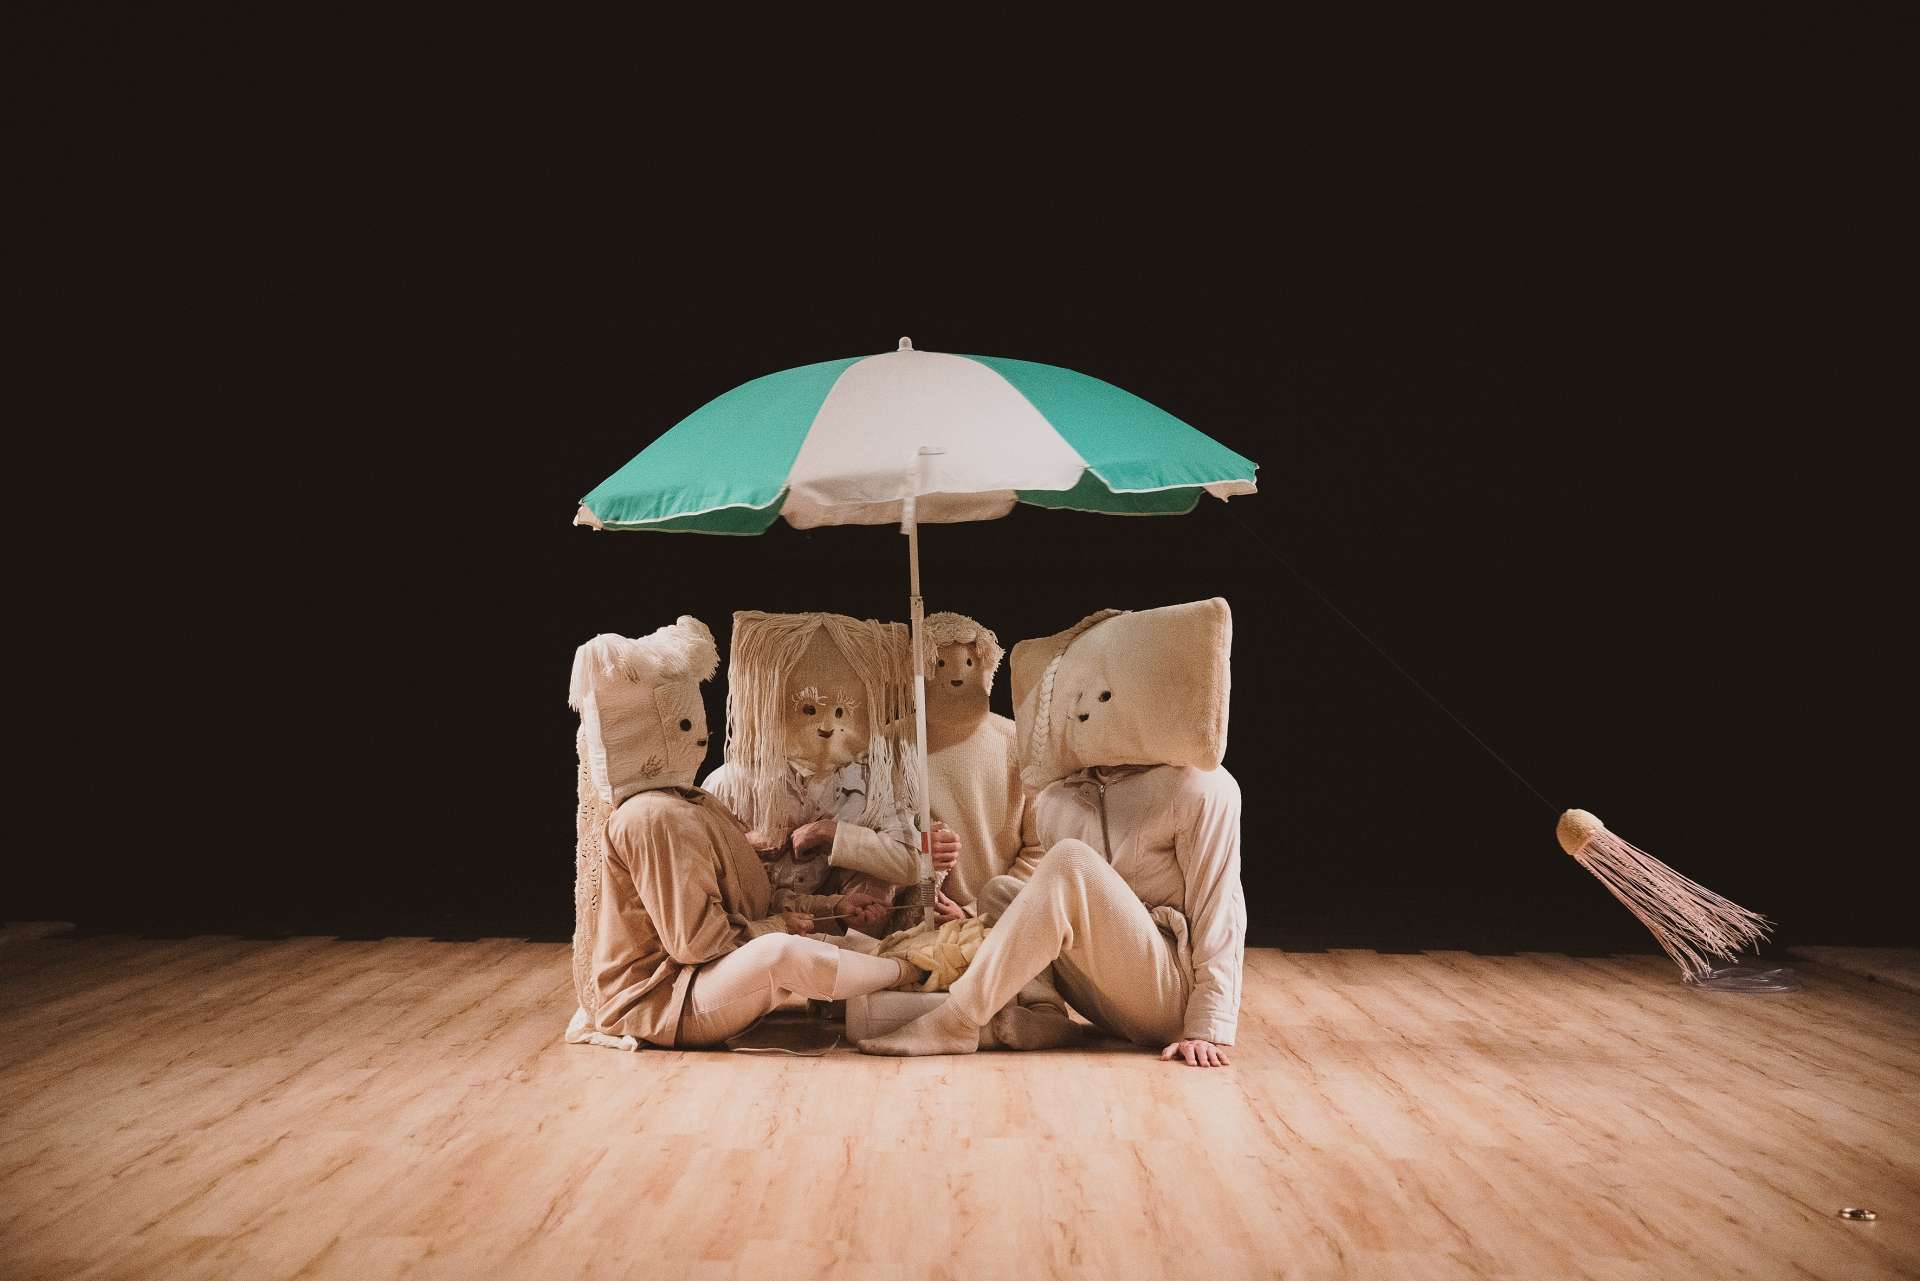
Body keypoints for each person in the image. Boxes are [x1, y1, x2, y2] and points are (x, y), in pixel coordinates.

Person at [857, 599, 1246, 1068]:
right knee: (1001, 892)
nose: (1082, 711)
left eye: (1103, 697)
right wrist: (970, 916)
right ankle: (1043, 1013)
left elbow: (1219, 907)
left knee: (1069, 862)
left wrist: (1208, 1025)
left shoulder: (1200, 787)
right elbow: (1049, 906)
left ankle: (956, 1020)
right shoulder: (1064, 796)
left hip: (1166, 993)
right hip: (1098, 1000)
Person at [564, 617, 915, 1051]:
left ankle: (911, 967)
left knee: (815, 941)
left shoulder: (693, 804)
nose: (699, 738)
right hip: (664, 999)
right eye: (683, 727)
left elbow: (754, 900)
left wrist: (834, 908)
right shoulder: (654, 817)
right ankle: (914, 968)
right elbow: (698, 943)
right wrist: (777, 926)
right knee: (781, 954)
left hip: (703, 977)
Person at [701, 610, 957, 935]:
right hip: (757, 933)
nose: (825, 726)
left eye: (840, 712)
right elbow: (711, 873)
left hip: (845, 936)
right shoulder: (733, 782)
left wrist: (830, 833)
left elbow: (908, 862)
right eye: (809, 710)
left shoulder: (874, 780)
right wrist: (747, 846)